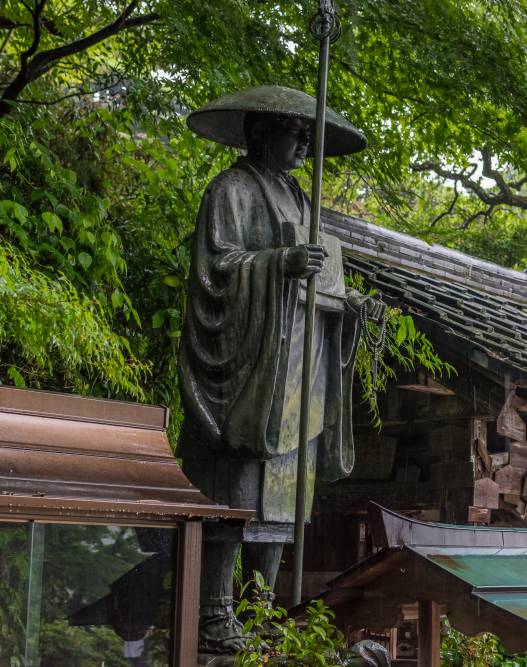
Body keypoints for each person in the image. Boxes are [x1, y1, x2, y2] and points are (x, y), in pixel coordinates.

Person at [178, 85, 377, 653]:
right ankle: (216, 615)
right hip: (251, 372)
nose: (304, 145)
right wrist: (278, 264)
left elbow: (320, 283)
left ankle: (261, 609)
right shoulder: (231, 191)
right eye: (296, 133)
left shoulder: (301, 198)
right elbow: (218, 269)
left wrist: (346, 303)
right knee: (236, 492)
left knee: (284, 500)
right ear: (263, 132)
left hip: (299, 366)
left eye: (307, 136)